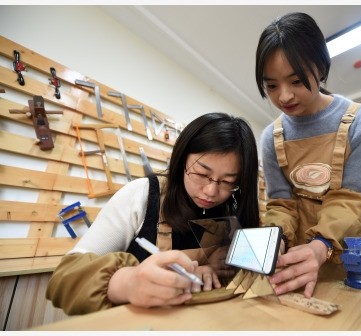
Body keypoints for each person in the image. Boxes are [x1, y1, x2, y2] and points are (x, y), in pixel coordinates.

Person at [46, 112, 259, 315]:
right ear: (182, 159)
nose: (211, 192)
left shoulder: (233, 207)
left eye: (228, 182)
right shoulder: (142, 195)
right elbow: (63, 279)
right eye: (202, 174)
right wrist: (127, 283)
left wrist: (209, 270)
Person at [255, 12, 361, 298]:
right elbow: (281, 203)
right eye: (272, 86)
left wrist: (321, 245)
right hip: (299, 258)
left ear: (321, 67)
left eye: (297, 81)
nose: (285, 96)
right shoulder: (271, 136)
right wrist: (275, 238)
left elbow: (350, 199)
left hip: (353, 252)